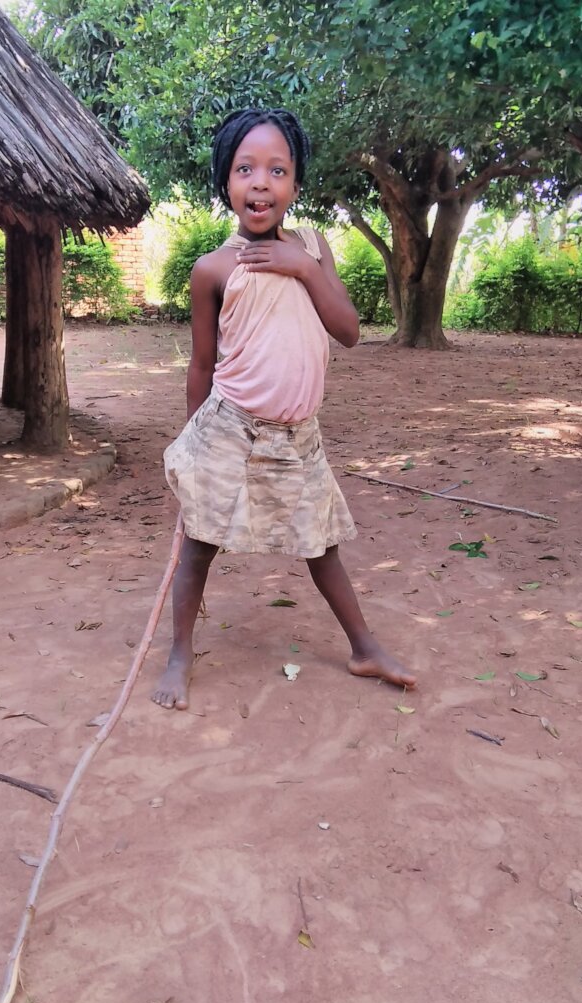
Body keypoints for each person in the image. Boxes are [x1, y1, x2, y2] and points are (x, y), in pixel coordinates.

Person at [153, 108, 416, 710]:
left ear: (295, 184)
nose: (261, 182)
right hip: (231, 432)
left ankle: (364, 648)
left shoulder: (314, 249)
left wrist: (302, 267)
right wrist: (192, 447)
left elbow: (347, 330)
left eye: (277, 169)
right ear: (227, 182)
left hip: (299, 437)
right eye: (246, 169)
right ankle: (179, 655)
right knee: (199, 543)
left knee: (321, 545)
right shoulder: (213, 269)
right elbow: (201, 365)